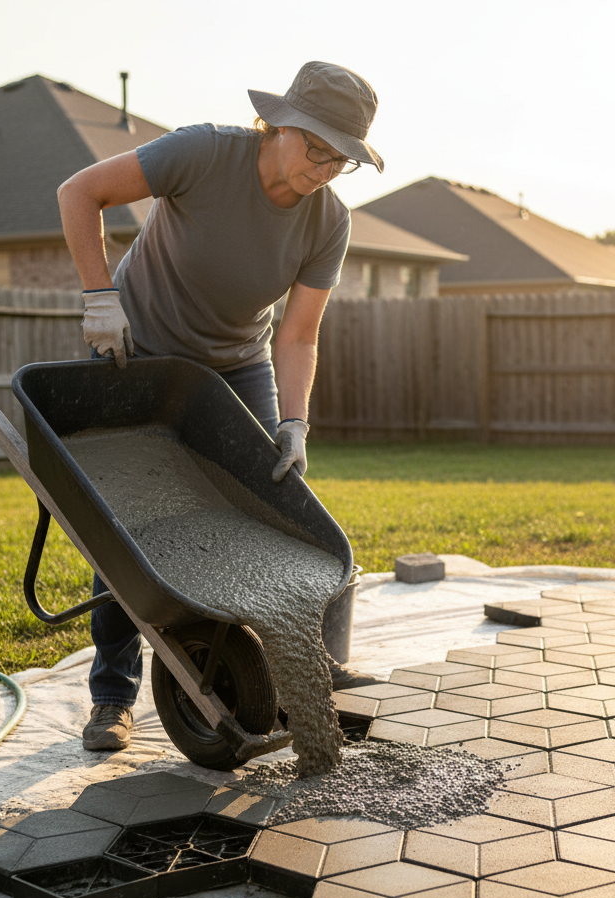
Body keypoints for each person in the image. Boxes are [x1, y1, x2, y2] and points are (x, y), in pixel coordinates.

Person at [56, 61, 384, 751]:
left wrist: (294, 423)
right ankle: (112, 694)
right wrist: (98, 296)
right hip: (137, 351)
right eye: (318, 148)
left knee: (280, 501)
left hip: (236, 364)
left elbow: (297, 333)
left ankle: (307, 665)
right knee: (128, 523)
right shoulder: (203, 152)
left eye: (343, 159)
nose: (326, 169)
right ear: (280, 125)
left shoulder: (329, 221)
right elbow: (78, 191)